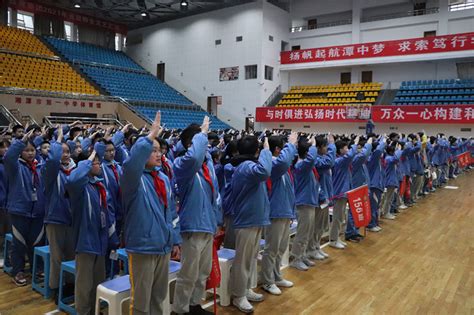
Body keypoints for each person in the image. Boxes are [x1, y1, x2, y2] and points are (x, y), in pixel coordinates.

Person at [121, 112, 181, 315]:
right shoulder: (132, 180)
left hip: (163, 246)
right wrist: (149, 137)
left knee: (159, 296)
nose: (158, 154)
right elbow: (131, 164)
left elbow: (171, 211)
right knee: (140, 301)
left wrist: (175, 240)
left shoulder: (162, 178)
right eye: (153, 150)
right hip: (142, 247)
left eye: (159, 151)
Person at [66, 144, 119, 315]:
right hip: (85, 241)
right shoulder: (79, 188)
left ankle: (95, 309)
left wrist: (112, 237)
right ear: (86, 166)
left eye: (98, 162)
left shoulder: (100, 186)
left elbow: (107, 213)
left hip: (101, 239)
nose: (98, 165)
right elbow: (74, 179)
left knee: (98, 280)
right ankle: (84, 311)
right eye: (94, 163)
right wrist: (87, 160)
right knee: (84, 283)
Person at [172, 117, 217, 315]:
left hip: (207, 224)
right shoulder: (182, 164)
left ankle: (194, 305)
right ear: (192, 143)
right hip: (192, 225)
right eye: (203, 140)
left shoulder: (207, 165)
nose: (207, 144)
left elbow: (215, 195)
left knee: (202, 272)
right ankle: (180, 310)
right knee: (188, 273)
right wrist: (202, 133)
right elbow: (194, 157)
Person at [230, 135, 272, 313]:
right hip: (247, 220)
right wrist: (267, 150)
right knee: (243, 260)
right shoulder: (246, 167)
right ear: (257, 151)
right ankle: (238, 295)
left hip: (254, 219)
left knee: (250, 258)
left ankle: (245, 289)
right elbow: (265, 171)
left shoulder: (247, 167)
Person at [4, 129, 46, 286]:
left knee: (37, 243)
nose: (30, 153)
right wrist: (21, 140)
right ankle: (18, 270)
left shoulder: (40, 166)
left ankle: (37, 269)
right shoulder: (14, 167)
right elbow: (8, 156)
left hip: (38, 212)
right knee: (19, 243)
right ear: (20, 152)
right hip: (19, 211)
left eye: (32, 150)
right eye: (26, 150)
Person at [260, 132, 298, 296]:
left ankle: (276, 275)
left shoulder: (284, 168)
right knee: (272, 248)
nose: (286, 152)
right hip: (275, 212)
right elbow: (284, 161)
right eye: (283, 148)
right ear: (277, 150)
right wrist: (292, 143)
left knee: (281, 248)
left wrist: (291, 212)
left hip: (284, 211)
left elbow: (290, 192)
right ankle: (267, 281)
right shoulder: (273, 165)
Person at [42, 126, 76, 302]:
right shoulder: (49, 171)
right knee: (57, 257)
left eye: (67, 151)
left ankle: (69, 285)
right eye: (61, 152)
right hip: (55, 220)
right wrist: (58, 139)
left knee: (71, 255)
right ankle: (56, 287)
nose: (65, 154)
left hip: (71, 221)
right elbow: (53, 159)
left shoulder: (74, 170)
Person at [290, 135, 319, 270]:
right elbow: (312, 158)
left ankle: (302, 255)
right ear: (307, 153)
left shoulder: (305, 165)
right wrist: (313, 144)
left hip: (310, 202)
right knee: (302, 233)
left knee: (308, 232)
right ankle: (296, 258)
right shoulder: (301, 165)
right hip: (304, 203)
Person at [307, 134, 336, 260]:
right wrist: (333, 145)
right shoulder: (317, 161)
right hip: (319, 198)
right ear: (318, 148)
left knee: (321, 226)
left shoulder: (322, 158)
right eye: (325, 146)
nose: (327, 148)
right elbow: (329, 162)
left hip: (325, 197)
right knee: (316, 226)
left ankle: (317, 247)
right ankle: (311, 249)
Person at [329, 136, 359, 249]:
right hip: (339, 192)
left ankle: (337, 238)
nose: (348, 149)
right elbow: (351, 155)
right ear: (340, 150)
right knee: (337, 218)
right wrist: (355, 143)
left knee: (341, 217)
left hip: (344, 191)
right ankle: (333, 239)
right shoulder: (339, 161)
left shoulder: (342, 160)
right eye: (346, 147)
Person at [345, 136, 373, 242]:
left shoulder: (359, 160)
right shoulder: (354, 159)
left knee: (357, 212)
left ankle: (355, 232)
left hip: (360, 188)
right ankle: (350, 233)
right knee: (353, 211)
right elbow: (364, 154)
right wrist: (369, 144)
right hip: (355, 188)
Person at [366, 135, 386, 232]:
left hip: (378, 185)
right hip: (374, 185)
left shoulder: (377, 159)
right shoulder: (372, 158)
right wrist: (384, 140)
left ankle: (375, 222)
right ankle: (370, 224)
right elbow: (378, 151)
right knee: (373, 206)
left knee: (376, 206)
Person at [0, 140, 10, 269]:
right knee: (2, 232)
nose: (6, 149)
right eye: (3, 147)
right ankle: (2, 255)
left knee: (7, 231)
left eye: (8, 147)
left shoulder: (11, 164)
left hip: (9, 203)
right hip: (1, 202)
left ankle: (6, 255)